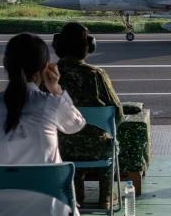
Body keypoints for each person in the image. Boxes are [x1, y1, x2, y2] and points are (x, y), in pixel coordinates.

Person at [0, 33, 86, 216]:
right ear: (44, 68)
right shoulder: (51, 104)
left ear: (6, 65)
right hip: (48, 208)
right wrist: (56, 89)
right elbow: (76, 125)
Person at [53, 22, 124, 209]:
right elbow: (117, 113)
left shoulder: (50, 76)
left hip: (61, 149)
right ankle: (106, 196)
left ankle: (76, 195)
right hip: (98, 148)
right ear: (89, 46)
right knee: (110, 142)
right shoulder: (96, 75)